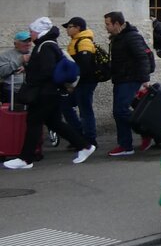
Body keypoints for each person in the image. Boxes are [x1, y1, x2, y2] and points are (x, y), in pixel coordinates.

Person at [2, 17, 95, 169]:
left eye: (32, 31)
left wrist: (31, 72)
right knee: (54, 122)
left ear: (39, 32)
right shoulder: (47, 45)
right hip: (50, 92)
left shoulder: (45, 46)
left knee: (34, 122)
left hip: (44, 93)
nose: (30, 35)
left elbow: (47, 70)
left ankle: (25, 159)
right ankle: (84, 146)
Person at [103, 11, 152, 157]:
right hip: (121, 79)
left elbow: (142, 57)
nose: (106, 27)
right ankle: (128, 143)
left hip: (130, 79)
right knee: (119, 112)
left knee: (121, 111)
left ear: (117, 24)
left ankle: (141, 133)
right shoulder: (118, 37)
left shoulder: (131, 37)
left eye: (108, 24)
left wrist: (145, 80)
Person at [61, 16, 99, 149]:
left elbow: (84, 67)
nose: (67, 30)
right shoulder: (75, 41)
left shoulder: (84, 42)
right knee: (65, 105)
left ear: (77, 28)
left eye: (69, 27)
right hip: (79, 82)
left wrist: (73, 85)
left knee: (85, 110)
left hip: (85, 82)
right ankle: (78, 136)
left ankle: (89, 140)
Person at [0, 29, 30, 100]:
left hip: (31, 91)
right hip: (12, 91)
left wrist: (27, 67)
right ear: (15, 43)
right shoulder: (5, 55)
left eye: (29, 41)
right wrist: (19, 61)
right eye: (24, 41)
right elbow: (2, 72)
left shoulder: (34, 54)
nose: (28, 44)